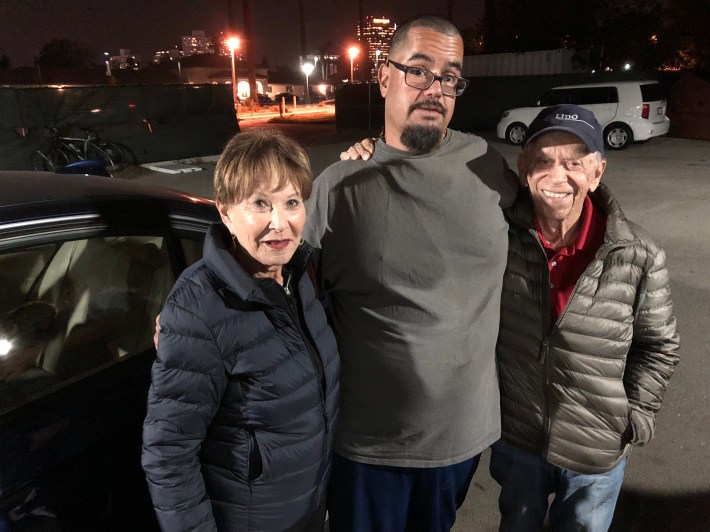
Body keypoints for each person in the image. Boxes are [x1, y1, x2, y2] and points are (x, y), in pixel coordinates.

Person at [304, 15, 518, 531]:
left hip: (464, 438)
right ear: (383, 77)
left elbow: (564, 217)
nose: (436, 88)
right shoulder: (339, 186)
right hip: (369, 448)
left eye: (450, 76)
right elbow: (277, 284)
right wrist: (191, 313)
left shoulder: (487, 166)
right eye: (418, 71)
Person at [491, 104, 680, 531]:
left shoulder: (637, 254)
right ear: (523, 169)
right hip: (519, 440)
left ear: (596, 173)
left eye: (574, 163)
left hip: (595, 454)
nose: (557, 176)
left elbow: (659, 346)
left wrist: (634, 417)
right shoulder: (498, 238)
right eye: (543, 161)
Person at [141, 128, 340, 531]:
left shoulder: (299, 275)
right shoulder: (198, 308)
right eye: (260, 203)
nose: (279, 223)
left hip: (309, 509)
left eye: (292, 202)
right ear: (226, 211)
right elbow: (169, 453)